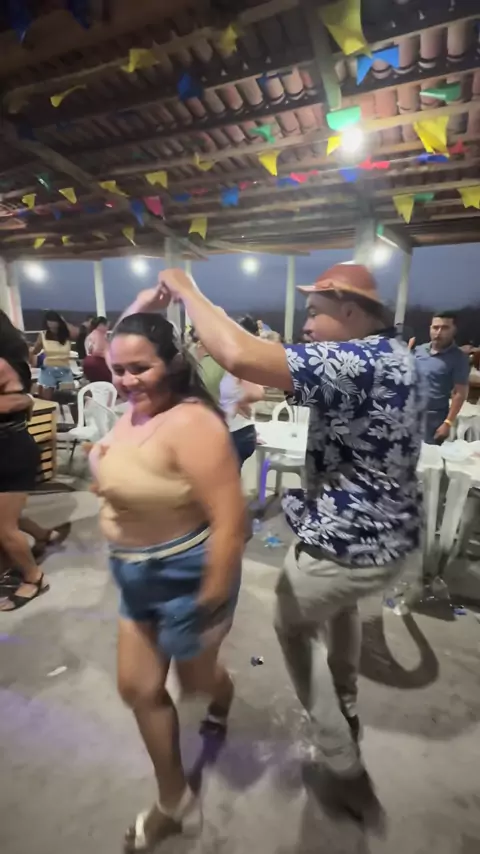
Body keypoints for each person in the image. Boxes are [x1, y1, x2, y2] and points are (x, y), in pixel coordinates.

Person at [157, 263, 424, 820]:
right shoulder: (398, 357)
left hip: (346, 539)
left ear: (348, 310)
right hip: (387, 537)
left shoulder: (358, 360)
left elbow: (238, 354)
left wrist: (186, 288)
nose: (305, 325)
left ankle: (341, 760)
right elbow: (276, 380)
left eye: (313, 313)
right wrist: (232, 343)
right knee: (340, 610)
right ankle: (345, 703)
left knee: (292, 623)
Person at [88, 300, 245, 849]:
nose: (127, 380)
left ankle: (222, 691)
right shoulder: (133, 410)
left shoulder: (193, 422)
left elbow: (232, 521)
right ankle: (174, 802)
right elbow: (121, 344)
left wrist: (212, 598)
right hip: (132, 575)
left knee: (197, 682)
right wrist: (140, 307)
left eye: (141, 368)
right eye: (118, 370)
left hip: (187, 575)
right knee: (138, 687)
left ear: (173, 363)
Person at [0, 311, 49, 611]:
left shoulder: (3, 364)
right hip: (9, 446)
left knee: (4, 528)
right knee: (6, 519)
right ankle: (44, 536)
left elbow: (19, 401)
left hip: (11, 450)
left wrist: (24, 401)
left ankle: (34, 577)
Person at [415, 311, 470, 443]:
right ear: (430, 328)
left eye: (445, 328)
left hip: (433, 419)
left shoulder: (459, 358)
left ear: (454, 330)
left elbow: (460, 393)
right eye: (435, 327)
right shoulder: (418, 350)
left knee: (428, 454)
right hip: (409, 414)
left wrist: (448, 423)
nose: (438, 332)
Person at [31, 311, 73, 399]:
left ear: (59, 322)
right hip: (48, 370)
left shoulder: (67, 335)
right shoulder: (43, 335)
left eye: (54, 322)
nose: (51, 325)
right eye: (49, 322)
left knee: (67, 397)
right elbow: (35, 351)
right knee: (47, 398)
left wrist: (64, 321)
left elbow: (78, 333)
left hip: (64, 370)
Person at [83, 316, 112, 383]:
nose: (107, 328)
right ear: (101, 325)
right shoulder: (98, 335)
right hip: (98, 363)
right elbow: (97, 350)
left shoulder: (90, 335)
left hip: (88, 362)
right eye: (106, 326)